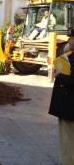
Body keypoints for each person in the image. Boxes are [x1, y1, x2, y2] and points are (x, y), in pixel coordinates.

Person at [48, 29, 74, 165]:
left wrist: (60, 75)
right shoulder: (69, 56)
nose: (69, 40)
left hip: (69, 108)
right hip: (68, 108)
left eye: (71, 38)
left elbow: (71, 80)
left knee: (68, 141)